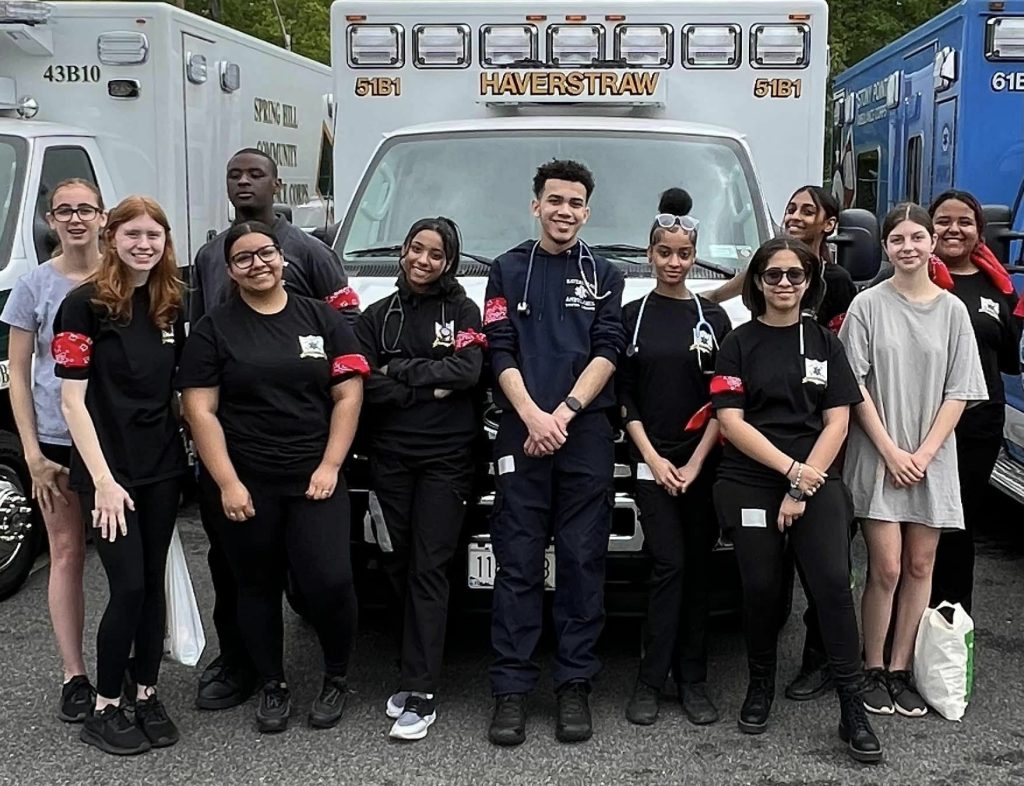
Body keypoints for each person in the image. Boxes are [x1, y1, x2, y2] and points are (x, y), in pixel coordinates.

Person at [177, 221, 366, 734]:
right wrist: (227, 482)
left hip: (314, 480)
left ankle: (335, 677)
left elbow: (348, 394)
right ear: (230, 271)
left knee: (329, 580)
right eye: (243, 259)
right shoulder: (214, 329)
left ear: (283, 258)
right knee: (254, 585)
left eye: (266, 254)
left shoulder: (322, 318)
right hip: (246, 482)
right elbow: (201, 411)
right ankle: (272, 685)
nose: (257, 264)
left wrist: (330, 466)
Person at [710, 237, 881, 763]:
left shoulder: (825, 344)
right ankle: (759, 683)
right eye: (773, 275)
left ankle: (853, 707)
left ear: (810, 282)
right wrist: (790, 474)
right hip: (751, 478)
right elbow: (730, 420)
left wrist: (804, 486)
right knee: (760, 586)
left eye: (795, 275)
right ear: (757, 282)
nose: (785, 284)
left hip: (817, 480)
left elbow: (838, 419)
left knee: (831, 581)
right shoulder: (737, 343)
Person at [482, 159, 625, 746]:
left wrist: (563, 413)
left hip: (583, 432)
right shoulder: (507, 269)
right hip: (522, 429)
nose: (564, 210)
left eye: (575, 203)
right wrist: (533, 416)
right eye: (554, 200)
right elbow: (498, 347)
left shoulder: (606, 273)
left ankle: (573, 687)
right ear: (535, 205)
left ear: (587, 211)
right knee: (516, 563)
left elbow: (610, 348)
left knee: (581, 561)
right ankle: (511, 691)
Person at [838, 203, 987, 718]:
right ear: (885, 247)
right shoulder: (866, 307)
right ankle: (872, 666)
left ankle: (902, 669)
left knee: (922, 564)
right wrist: (890, 450)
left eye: (917, 237)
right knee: (886, 565)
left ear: (930, 244)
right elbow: (852, 385)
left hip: (930, 457)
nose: (909, 246)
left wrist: (922, 454)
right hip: (879, 452)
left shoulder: (952, 311)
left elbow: (961, 390)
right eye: (897, 238)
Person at [53, 195, 188, 755]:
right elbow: (71, 403)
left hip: (161, 468)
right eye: (132, 234)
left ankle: (147, 692)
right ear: (112, 237)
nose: (143, 245)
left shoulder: (171, 303)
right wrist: (104, 481)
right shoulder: (82, 306)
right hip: (109, 475)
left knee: (150, 585)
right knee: (127, 585)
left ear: (165, 243)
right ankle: (105, 705)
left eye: (153, 236)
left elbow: (180, 391)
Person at [354, 217, 485, 741]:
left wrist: (400, 371)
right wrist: (426, 383)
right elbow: (363, 381)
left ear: (449, 261)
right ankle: (417, 666)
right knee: (397, 561)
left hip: (448, 460)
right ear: (403, 251)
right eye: (416, 249)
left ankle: (421, 691)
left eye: (436, 254)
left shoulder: (462, 311)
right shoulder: (376, 315)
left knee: (431, 566)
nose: (423, 261)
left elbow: (470, 371)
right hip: (389, 459)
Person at [617, 188, 731, 727]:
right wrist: (655, 460)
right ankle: (650, 678)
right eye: (664, 253)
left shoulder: (713, 319)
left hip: (702, 463)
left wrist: (692, 463)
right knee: (669, 564)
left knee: (700, 570)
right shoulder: (631, 317)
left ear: (695, 256)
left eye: (683, 254)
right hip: (650, 462)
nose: (673, 263)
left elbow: (724, 401)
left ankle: (693, 680)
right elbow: (625, 398)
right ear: (650, 254)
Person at [1, 179, 105, 723]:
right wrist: (31, 454)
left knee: (130, 558)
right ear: (50, 220)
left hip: (117, 441)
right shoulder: (32, 285)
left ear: (102, 217)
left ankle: (132, 665)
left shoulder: (124, 275)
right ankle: (75, 674)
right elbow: (18, 375)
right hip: (56, 442)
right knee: (66, 553)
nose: (75, 219)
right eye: (65, 211)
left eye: (85, 209)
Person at [927, 190, 1022, 614]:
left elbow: (1005, 359)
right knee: (915, 527)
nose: (953, 229)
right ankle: (901, 630)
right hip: (919, 424)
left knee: (957, 524)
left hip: (978, 426)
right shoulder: (911, 279)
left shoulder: (996, 288)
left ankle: (950, 621)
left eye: (964, 221)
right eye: (943, 221)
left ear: (979, 232)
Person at [706, 185, 857, 331]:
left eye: (808, 212)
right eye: (791, 210)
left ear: (829, 224)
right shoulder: (763, 265)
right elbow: (715, 295)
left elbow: (844, 337)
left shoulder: (837, 280)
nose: (795, 217)